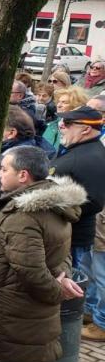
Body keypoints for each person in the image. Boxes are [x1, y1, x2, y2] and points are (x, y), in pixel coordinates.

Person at [0, 146, 86, 362]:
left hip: (10, 315)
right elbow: (62, 253)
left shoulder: (22, 215)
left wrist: (57, 290)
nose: (0, 174)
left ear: (23, 175)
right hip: (27, 315)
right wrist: (62, 278)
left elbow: (30, 269)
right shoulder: (55, 205)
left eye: (4, 169)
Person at [48, 106, 105, 341]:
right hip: (75, 232)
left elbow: (93, 202)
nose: (62, 126)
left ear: (84, 130)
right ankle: (88, 313)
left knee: (77, 279)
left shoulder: (89, 158)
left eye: (68, 124)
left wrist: (61, 209)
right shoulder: (85, 150)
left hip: (75, 234)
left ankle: (77, 322)